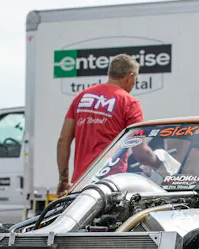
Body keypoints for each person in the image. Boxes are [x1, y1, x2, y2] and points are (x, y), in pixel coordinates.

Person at [56, 54, 160, 197]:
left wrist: (63, 180)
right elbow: (141, 153)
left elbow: (63, 141)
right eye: (135, 81)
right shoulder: (129, 103)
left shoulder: (82, 97)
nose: (133, 85)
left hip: (80, 186)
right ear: (129, 77)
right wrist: (159, 163)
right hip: (110, 188)